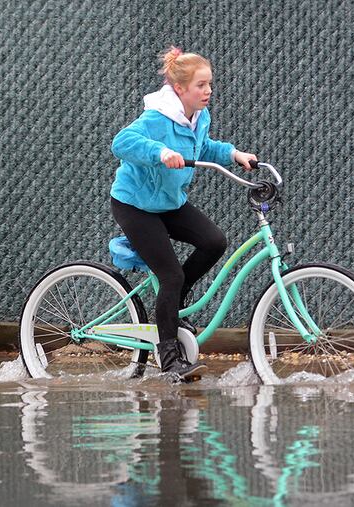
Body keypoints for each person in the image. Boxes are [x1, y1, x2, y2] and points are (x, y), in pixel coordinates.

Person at [110, 46, 258, 380]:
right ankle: (169, 358)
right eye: (201, 85)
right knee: (171, 275)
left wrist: (234, 153)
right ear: (180, 89)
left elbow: (201, 147)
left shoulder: (199, 117)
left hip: (168, 203)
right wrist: (159, 152)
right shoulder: (157, 118)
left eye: (209, 84)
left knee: (214, 242)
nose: (208, 91)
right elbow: (121, 142)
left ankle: (173, 307)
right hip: (135, 205)